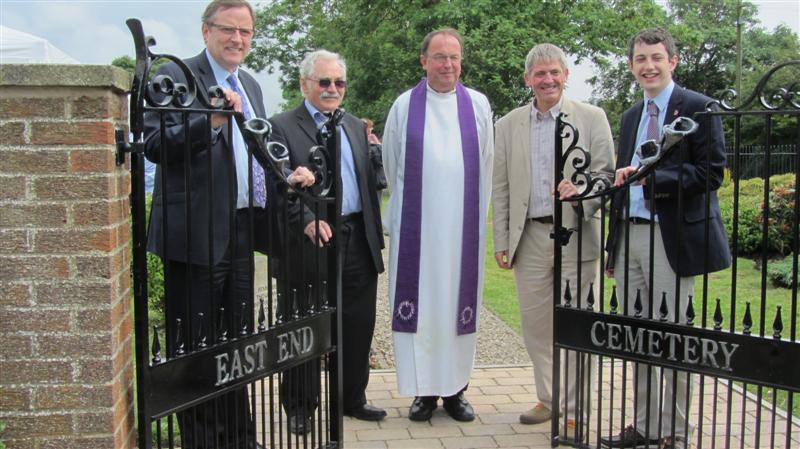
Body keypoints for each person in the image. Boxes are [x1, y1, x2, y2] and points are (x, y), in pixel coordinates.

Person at [143, 1, 313, 447]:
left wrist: (287, 174)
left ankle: (240, 438)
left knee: (237, 346)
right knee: (197, 348)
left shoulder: (250, 84)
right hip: (194, 233)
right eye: (228, 29)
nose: (237, 39)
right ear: (206, 31)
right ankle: (203, 442)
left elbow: (260, 148)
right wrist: (212, 120)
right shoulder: (176, 75)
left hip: (240, 230)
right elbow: (155, 144)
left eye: (245, 31)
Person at [601, 28, 731, 449]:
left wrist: (652, 178)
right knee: (637, 338)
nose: (649, 66)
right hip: (630, 236)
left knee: (673, 340)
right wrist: (613, 247)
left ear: (673, 61)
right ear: (631, 65)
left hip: (670, 239)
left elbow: (711, 173)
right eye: (640, 59)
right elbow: (622, 183)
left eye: (656, 57)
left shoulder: (699, 107)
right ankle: (645, 426)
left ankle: (675, 434)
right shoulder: (630, 116)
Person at [492, 43, 614, 432]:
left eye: (554, 72)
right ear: (528, 79)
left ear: (566, 75)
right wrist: (502, 240)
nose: (548, 80)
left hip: (577, 235)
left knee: (576, 325)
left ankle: (576, 410)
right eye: (540, 74)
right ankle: (549, 399)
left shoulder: (592, 118)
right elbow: (501, 187)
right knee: (536, 327)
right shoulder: (507, 125)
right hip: (529, 236)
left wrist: (582, 195)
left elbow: (606, 176)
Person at [269, 49, 387, 433]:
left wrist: (375, 235)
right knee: (304, 326)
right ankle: (300, 406)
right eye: (324, 81)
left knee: (357, 324)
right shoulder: (281, 126)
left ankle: (352, 398)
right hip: (309, 242)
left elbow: (367, 187)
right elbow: (276, 185)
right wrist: (305, 219)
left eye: (339, 82)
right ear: (305, 84)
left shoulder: (353, 125)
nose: (333, 88)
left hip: (356, 239)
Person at [382, 28, 494, 422]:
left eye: (454, 57)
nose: (448, 64)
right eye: (440, 57)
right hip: (418, 233)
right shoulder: (404, 106)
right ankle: (425, 393)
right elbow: (392, 164)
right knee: (423, 310)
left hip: (462, 231)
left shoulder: (478, 105)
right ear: (424, 61)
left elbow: (487, 161)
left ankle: (456, 391)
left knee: (456, 309)